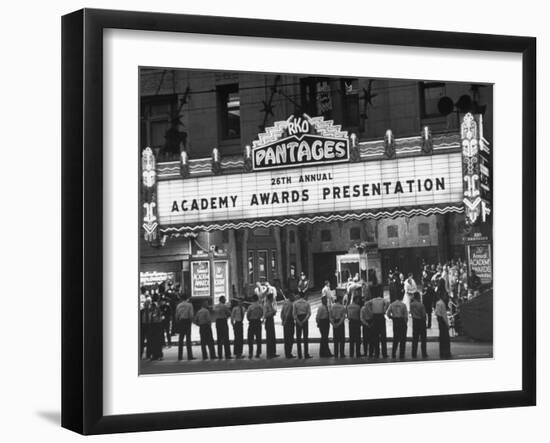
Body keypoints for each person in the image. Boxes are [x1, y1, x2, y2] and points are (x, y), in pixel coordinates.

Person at [367, 291, 389, 358]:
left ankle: (377, 353)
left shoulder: (372, 300)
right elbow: (388, 302)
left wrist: (370, 311)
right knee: (383, 336)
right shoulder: (382, 300)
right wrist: (384, 310)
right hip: (381, 317)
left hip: (375, 317)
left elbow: (367, 304)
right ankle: (384, 353)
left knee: (375, 336)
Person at [175, 293, 194, 361]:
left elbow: (176, 316)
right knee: (188, 339)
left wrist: (178, 322)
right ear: (187, 298)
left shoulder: (178, 305)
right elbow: (191, 315)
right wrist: (191, 322)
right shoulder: (189, 305)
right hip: (187, 321)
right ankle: (189, 356)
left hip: (181, 322)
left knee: (181, 339)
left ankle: (180, 356)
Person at [293, 290, 312, 358]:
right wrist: (304, 320)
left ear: (298, 295)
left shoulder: (295, 303)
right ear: (304, 296)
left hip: (298, 319)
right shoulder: (307, 303)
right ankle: (306, 354)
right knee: (305, 337)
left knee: (298, 338)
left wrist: (298, 321)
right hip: (305, 319)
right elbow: (309, 313)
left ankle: (299, 354)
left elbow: (294, 314)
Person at [410, 292, 428, 358]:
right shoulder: (421, 305)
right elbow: (423, 315)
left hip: (415, 321)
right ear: (418, 297)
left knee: (415, 338)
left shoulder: (411, 304)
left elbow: (411, 312)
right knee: (423, 338)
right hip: (421, 321)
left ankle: (414, 353)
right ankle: (424, 353)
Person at [246, 294, 263, 358]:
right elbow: (262, 313)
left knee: (250, 338)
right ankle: (258, 353)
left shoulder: (250, 307)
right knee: (258, 338)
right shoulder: (260, 306)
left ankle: (250, 353)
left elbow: (248, 315)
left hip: (252, 322)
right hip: (258, 322)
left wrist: (250, 319)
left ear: (253, 299)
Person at [435, 293, 452, 358]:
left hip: (440, 321)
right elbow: (443, 316)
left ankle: (442, 352)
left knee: (442, 338)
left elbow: (437, 313)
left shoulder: (438, 303)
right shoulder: (442, 304)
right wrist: (447, 324)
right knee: (445, 338)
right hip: (443, 322)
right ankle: (446, 352)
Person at [280, 293, 296, 358]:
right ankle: (289, 353)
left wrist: (282, 320)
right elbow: (288, 314)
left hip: (285, 322)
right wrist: (286, 321)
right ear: (291, 297)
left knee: (286, 338)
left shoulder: (285, 303)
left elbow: (282, 312)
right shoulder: (291, 304)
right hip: (289, 322)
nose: (294, 298)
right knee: (290, 338)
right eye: (294, 297)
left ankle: (287, 352)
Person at [264, 292, 278, 358]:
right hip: (268, 321)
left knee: (273, 337)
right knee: (269, 337)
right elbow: (265, 315)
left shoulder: (271, 304)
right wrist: (272, 312)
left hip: (271, 320)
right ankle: (269, 353)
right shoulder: (266, 305)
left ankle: (273, 352)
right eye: (272, 297)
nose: (273, 299)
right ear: (270, 298)